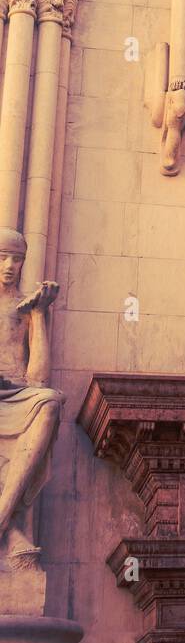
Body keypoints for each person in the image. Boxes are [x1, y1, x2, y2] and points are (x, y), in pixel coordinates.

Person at [0, 227, 61, 569]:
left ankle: (3, 517)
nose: (10, 266)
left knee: (49, 402)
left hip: (15, 393)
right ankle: (9, 533)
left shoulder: (25, 306)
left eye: (17, 259)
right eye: (2, 257)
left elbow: (37, 378)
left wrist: (39, 313)